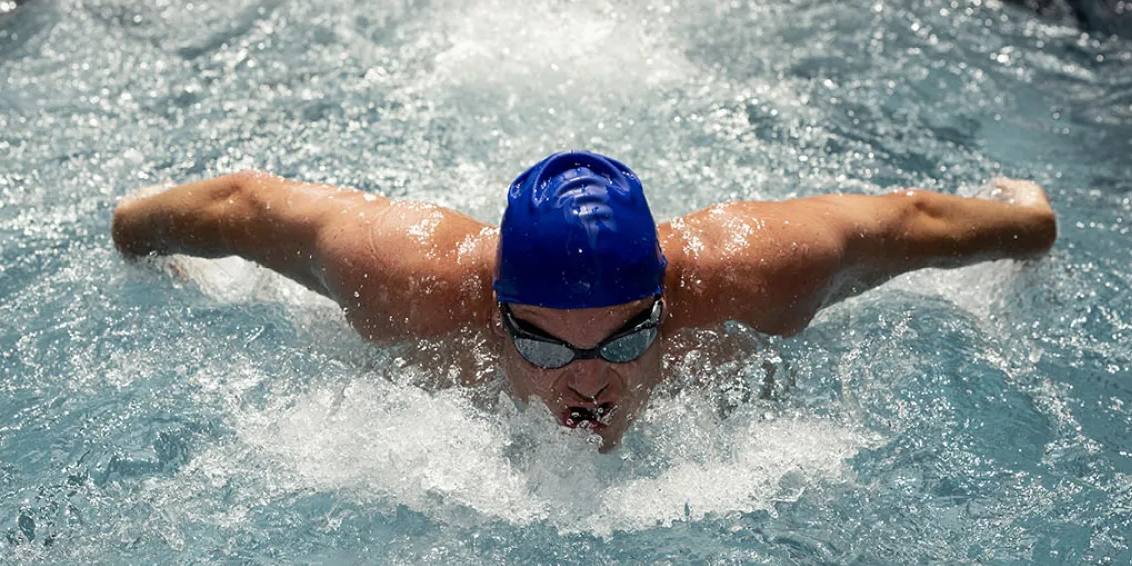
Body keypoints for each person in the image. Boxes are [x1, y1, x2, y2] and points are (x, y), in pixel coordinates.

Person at [111, 150, 1056, 450]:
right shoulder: (412, 282)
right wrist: (136, 233)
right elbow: (244, 207)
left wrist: (1030, 221)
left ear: (666, 301)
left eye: (623, 337)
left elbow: (911, 220)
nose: (589, 386)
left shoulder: (753, 274)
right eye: (549, 349)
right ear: (494, 311)